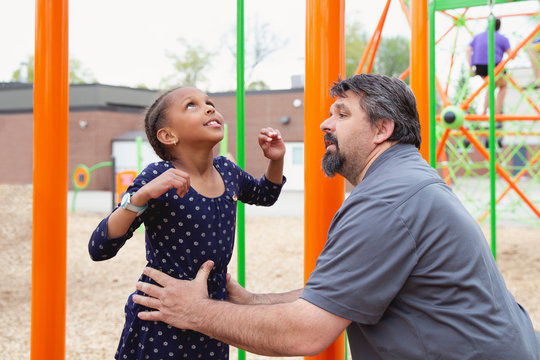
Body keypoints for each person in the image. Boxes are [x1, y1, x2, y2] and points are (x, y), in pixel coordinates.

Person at [131, 74, 540, 359]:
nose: (325, 123)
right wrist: (251, 301)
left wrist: (195, 312)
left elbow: (307, 331)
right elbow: (337, 294)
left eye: (342, 114)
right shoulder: (403, 180)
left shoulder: (386, 202)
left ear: (382, 130)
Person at [88, 86, 286, 360]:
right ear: (168, 135)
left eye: (210, 102)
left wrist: (276, 161)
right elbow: (100, 248)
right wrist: (141, 196)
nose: (209, 108)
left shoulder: (227, 171)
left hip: (212, 308)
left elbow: (265, 195)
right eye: (191, 105)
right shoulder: (158, 176)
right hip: (163, 314)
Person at [466, 17, 512, 115]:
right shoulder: (502, 38)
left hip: (479, 67)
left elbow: (468, 50)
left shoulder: (477, 37)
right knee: (503, 85)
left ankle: (484, 111)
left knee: (491, 86)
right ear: (499, 27)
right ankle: (497, 111)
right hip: (494, 66)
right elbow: (511, 55)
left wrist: (470, 67)